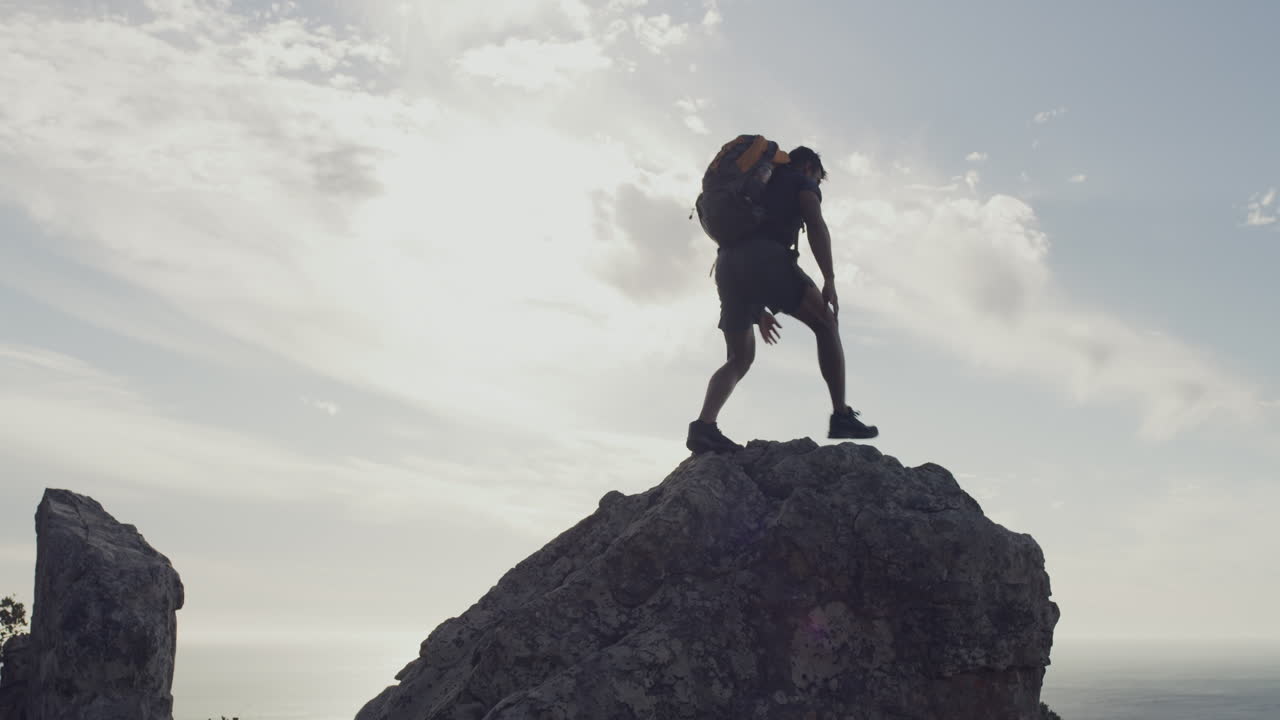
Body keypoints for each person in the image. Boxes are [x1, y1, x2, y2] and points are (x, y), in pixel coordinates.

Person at [686, 146, 879, 454]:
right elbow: (815, 223)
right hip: (767, 258)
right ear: (809, 169)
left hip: (727, 263)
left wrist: (759, 306)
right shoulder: (798, 180)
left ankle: (703, 428)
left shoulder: (755, 182)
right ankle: (841, 414)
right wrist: (829, 278)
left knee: (739, 358)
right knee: (826, 323)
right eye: (817, 178)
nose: (817, 184)